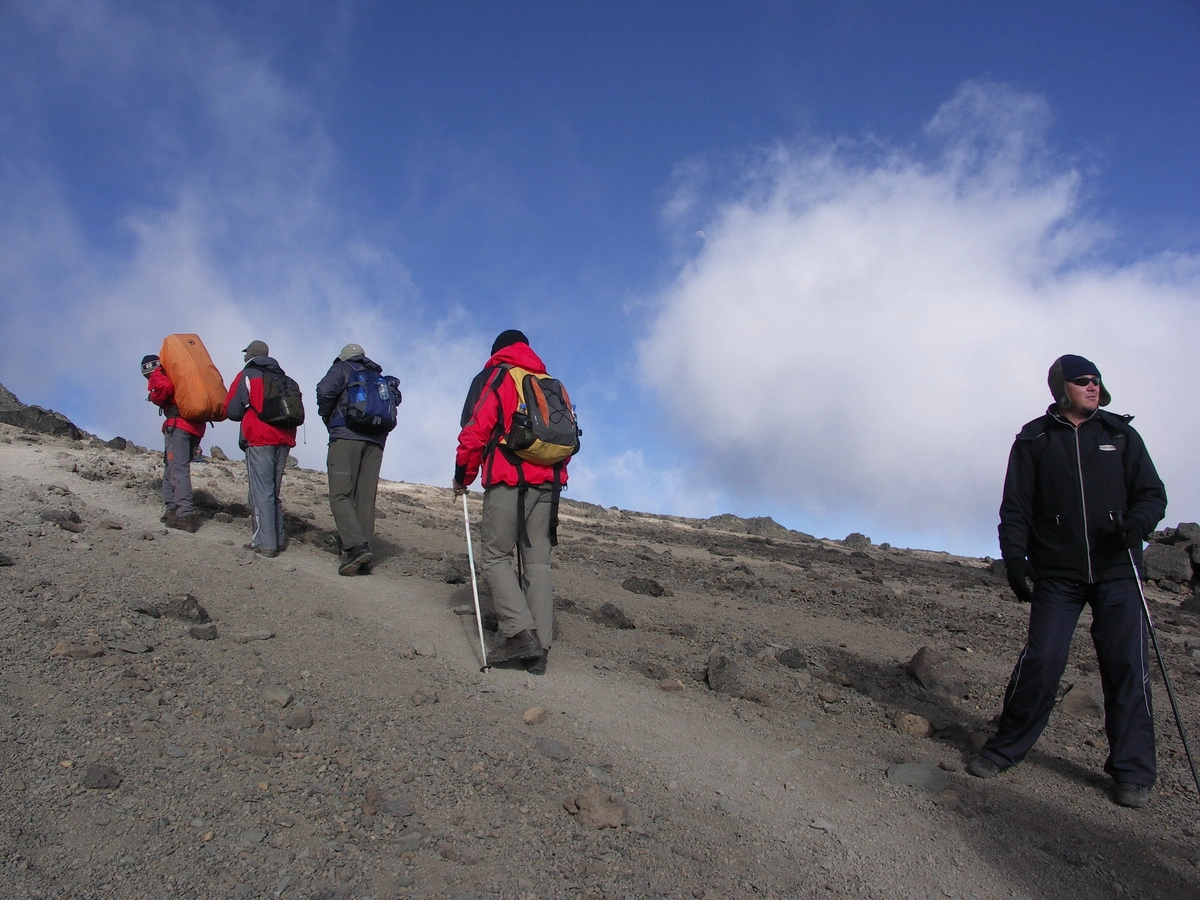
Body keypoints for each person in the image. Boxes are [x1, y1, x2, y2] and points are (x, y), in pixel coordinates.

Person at [969, 354, 1167, 809]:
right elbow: (1015, 505)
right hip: (1058, 573)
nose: (1092, 387)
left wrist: (1136, 525)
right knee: (1043, 660)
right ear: (1062, 387)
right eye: (1082, 381)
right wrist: (1015, 560)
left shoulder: (1121, 434)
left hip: (1119, 571)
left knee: (1127, 668)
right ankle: (1003, 749)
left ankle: (1132, 772)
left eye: (1096, 380)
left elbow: (1152, 494)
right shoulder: (1035, 438)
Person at [454, 330, 570, 675]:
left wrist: (463, 476)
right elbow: (566, 439)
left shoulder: (500, 375)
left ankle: (520, 634)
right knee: (538, 566)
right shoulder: (551, 383)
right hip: (548, 486)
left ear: (498, 351)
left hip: (507, 479)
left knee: (495, 557)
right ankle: (541, 649)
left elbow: (476, 429)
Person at [316, 343, 396, 575]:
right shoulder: (377, 376)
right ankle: (365, 557)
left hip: (346, 436)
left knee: (340, 493)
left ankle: (356, 547)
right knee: (365, 497)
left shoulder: (342, 368)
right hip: (376, 442)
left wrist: (328, 417)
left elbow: (324, 391)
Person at [222, 340, 297, 558]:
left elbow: (233, 409)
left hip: (259, 437)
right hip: (284, 438)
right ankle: (277, 537)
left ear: (252, 354)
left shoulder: (249, 374)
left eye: (246, 353)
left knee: (261, 490)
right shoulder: (285, 378)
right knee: (273, 490)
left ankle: (265, 543)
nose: (244, 357)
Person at [142, 353, 205, 532]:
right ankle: (173, 509)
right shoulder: (179, 373)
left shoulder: (159, 374)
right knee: (176, 467)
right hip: (196, 425)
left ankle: (183, 515)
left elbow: (164, 388)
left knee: (177, 469)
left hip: (178, 426)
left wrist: (154, 397)